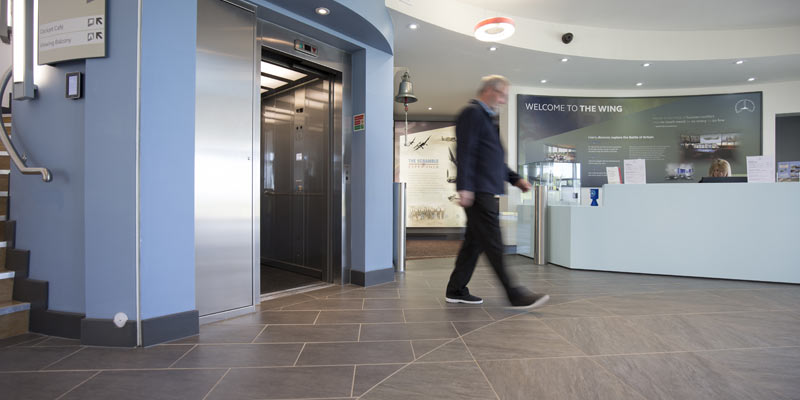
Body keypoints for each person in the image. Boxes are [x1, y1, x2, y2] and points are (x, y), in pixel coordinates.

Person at [446, 75, 550, 309]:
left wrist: (515, 179)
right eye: (502, 95)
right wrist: (464, 186)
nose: (503, 100)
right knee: (494, 243)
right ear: (489, 91)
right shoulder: (472, 113)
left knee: (473, 244)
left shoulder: (486, 118)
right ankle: (515, 294)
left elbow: (493, 160)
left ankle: (455, 289)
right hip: (478, 191)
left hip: (484, 189)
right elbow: (465, 151)